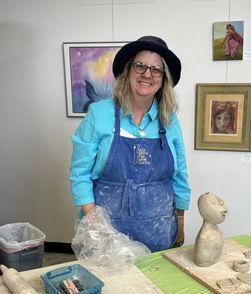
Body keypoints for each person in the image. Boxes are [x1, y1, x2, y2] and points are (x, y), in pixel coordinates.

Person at [69, 36, 190, 252]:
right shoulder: (99, 114)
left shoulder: (169, 121)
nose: (147, 74)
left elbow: (180, 174)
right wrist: (96, 222)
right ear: (128, 71)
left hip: (159, 230)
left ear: (163, 79)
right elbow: (80, 173)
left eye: (156, 69)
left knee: (155, 284)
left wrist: (180, 221)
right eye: (140, 66)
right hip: (107, 233)